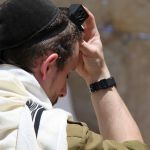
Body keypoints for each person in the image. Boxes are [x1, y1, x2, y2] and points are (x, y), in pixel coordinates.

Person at [0, 0, 147, 149]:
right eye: (67, 75)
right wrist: (98, 76)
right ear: (48, 67)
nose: (64, 92)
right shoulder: (59, 137)